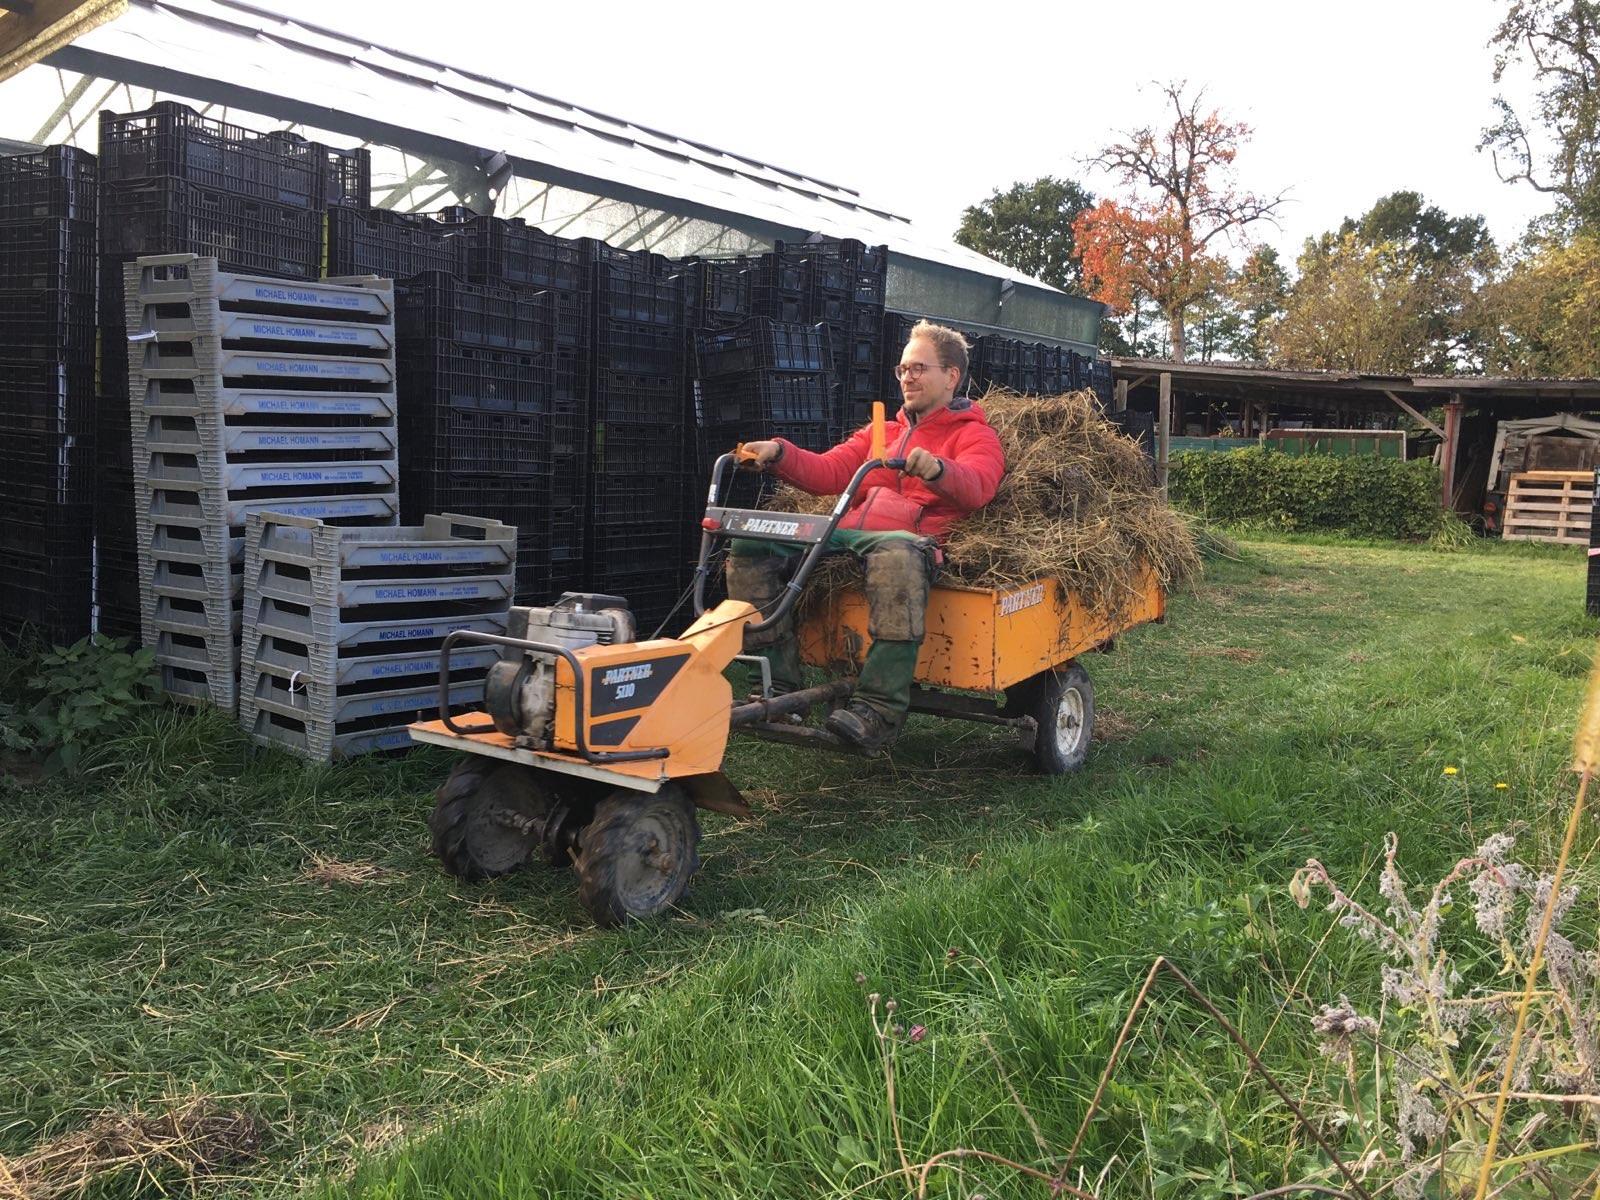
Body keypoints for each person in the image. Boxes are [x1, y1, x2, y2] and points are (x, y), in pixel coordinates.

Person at [732, 319, 1006, 753]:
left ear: (951, 375)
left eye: (919, 368)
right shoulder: (883, 432)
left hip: (911, 540)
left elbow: (979, 485)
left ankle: (878, 708)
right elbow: (830, 470)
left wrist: (939, 469)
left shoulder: (974, 434)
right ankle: (777, 688)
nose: (907, 377)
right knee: (753, 539)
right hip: (851, 534)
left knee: (898, 554)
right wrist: (780, 452)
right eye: (903, 369)